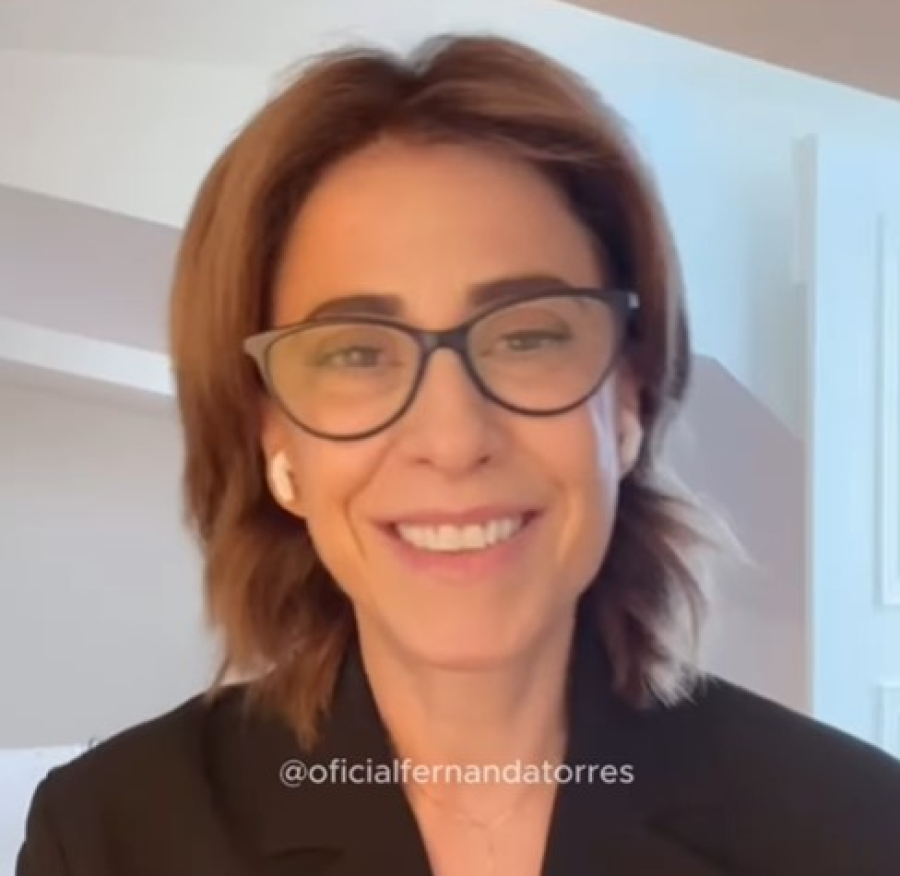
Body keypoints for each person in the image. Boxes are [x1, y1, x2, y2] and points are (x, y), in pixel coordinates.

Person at [16, 33, 900, 876]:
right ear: (274, 434)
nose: (453, 439)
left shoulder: (858, 828)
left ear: (627, 399)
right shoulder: (110, 836)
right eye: (356, 353)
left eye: (528, 337)